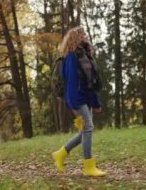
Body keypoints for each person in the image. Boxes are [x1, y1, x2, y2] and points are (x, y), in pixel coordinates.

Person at [51, 27, 106, 177]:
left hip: (86, 98)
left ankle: (61, 154)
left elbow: (91, 83)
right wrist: (74, 102)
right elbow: (72, 82)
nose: (86, 36)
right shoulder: (71, 57)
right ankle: (88, 166)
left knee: (86, 131)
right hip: (77, 98)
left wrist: (96, 103)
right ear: (76, 37)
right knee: (88, 128)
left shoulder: (85, 56)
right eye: (83, 34)